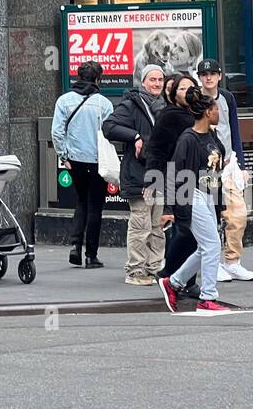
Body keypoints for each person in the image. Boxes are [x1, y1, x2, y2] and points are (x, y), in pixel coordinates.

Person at [157, 87, 231, 314]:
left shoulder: (212, 137)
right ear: (208, 112)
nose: (219, 113)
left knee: (206, 247)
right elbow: (175, 174)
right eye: (216, 109)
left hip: (207, 195)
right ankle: (207, 298)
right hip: (193, 195)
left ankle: (174, 282)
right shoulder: (187, 140)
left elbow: (214, 176)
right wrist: (172, 207)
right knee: (211, 246)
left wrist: (220, 207)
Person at [51, 61, 117, 269]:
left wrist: (64, 155)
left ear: (78, 77)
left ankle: (74, 245)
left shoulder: (64, 101)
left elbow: (56, 131)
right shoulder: (103, 104)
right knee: (95, 206)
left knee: (81, 201)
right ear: (98, 79)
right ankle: (91, 255)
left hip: (75, 161)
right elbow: (109, 133)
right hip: (97, 162)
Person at [103, 64, 165, 286]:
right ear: (143, 82)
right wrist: (135, 136)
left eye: (160, 80)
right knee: (141, 225)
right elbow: (108, 127)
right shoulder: (131, 104)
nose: (157, 84)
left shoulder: (164, 105)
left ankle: (155, 267)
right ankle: (135, 270)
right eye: (152, 80)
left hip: (159, 175)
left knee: (157, 225)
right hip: (138, 176)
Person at [196, 59, 253, 282]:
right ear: (199, 77)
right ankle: (212, 263)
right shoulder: (196, 99)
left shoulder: (227, 97)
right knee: (210, 217)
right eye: (204, 74)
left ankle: (232, 261)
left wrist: (240, 164)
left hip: (228, 163)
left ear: (220, 76)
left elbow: (234, 129)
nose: (209, 77)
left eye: (213, 73)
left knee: (237, 214)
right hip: (206, 166)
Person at [150, 74, 198, 298]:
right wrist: (153, 180)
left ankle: (186, 280)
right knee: (184, 230)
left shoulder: (201, 113)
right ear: (173, 94)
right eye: (182, 89)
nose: (187, 92)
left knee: (198, 234)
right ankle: (171, 274)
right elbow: (157, 149)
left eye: (191, 88)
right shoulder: (169, 115)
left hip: (201, 177)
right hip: (177, 176)